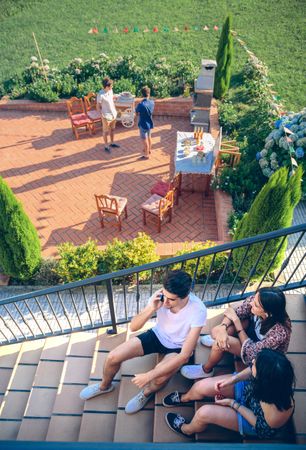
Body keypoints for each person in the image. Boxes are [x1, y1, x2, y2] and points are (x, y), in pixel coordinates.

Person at [80, 270, 207, 414]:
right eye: (164, 296)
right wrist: (151, 308)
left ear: (185, 296)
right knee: (112, 357)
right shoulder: (159, 298)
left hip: (178, 347)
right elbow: (133, 327)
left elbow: (184, 356)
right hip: (157, 335)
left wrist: (149, 375)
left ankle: (145, 394)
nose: (165, 302)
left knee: (159, 378)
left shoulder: (198, 310)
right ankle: (104, 386)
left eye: (171, 300)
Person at [163, 349, 295, 440]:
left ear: (264, 379)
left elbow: (261, 426)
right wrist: (232, 380)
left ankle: (187, 429)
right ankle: (186, 398)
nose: (252, 361)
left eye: (255, 364)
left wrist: (233, 404)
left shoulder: (278, 410)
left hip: (253, 418)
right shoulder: (270, 375)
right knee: (200, 386)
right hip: (249, 389)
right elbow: (251, 370)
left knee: (204, 413)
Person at [180, 287, 291, 380]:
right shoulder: (257, 300)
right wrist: (223, 329)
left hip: (260, 356)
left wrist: (237, 324)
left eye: (256, 305)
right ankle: (220, 338)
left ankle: (206, 369)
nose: (251, 302)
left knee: (221, 343)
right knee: (217, 332)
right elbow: (234, 312)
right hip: (252, 334)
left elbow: (251, 351)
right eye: (254, 298)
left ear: (268, 313)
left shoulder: (279, 333)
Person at [96, 77, 120, 153]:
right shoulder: (100, 95)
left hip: (113, 114)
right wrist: (102, 115)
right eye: (111, 86)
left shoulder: (111, 91)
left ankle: (112, 143)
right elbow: (97, 106)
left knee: (112, 129)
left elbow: (111, 99)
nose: (112, 87)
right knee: (105, 132)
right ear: (107, 86)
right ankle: (106, 146)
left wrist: (114, 98)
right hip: (106, 116)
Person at [135, 86, 154, 160]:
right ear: (149, 94)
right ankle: (149, 150)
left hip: (143, 124)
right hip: (149, 123)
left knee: (144, 139)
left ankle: (146, 155)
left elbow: (136, 113)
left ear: (142, 94)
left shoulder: (141, 104)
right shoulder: (152, 102)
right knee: (149, 137)